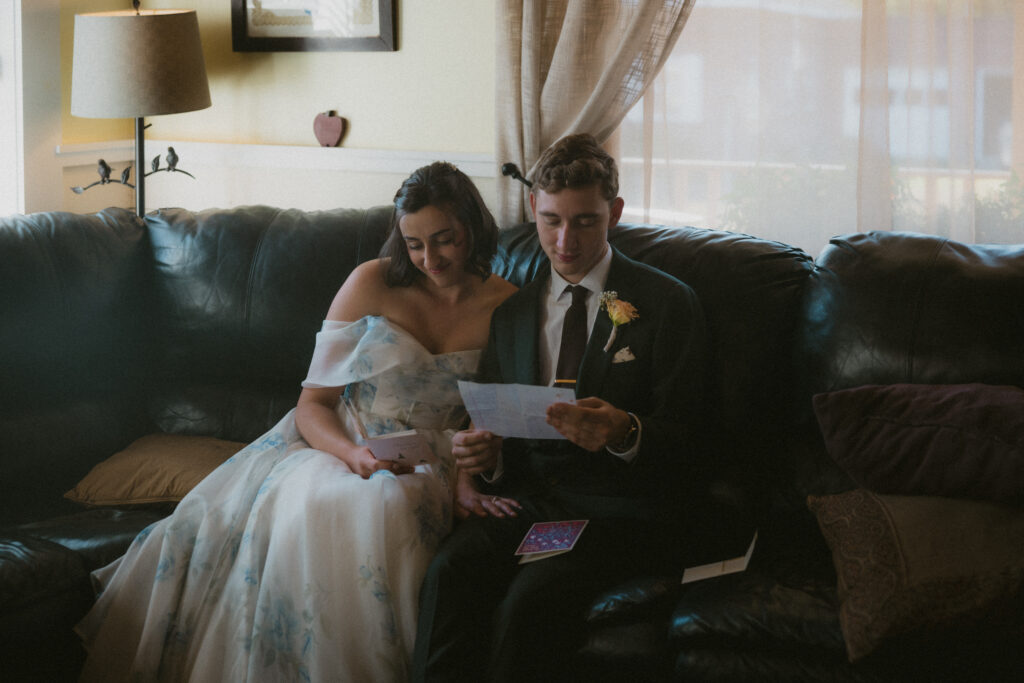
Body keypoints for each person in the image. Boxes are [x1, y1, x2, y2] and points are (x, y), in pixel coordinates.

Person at [75, 162, 518, 683]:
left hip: (433, 456)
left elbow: (490, 413)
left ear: (472, 224)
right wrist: (354, 455)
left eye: (445, 240)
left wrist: (468, 475)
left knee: (393, 502)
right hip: (342, 440)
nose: (430, 258)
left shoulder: (504, 303)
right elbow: (314, 403)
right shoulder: (371, 282)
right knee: (346, 498)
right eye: (415, 244)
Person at [412, 134, 708, 682]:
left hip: (617, 512)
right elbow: (491, 421)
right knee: (450, 571)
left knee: (528, 604)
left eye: (585, 221)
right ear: (533, 209)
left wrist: (626, 431)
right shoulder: (513, 314)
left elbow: (696, 443)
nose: (564, 240)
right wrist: (484, 455)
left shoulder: (668, 304)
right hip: (532, 501)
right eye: (551, 221)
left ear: (614, 213)